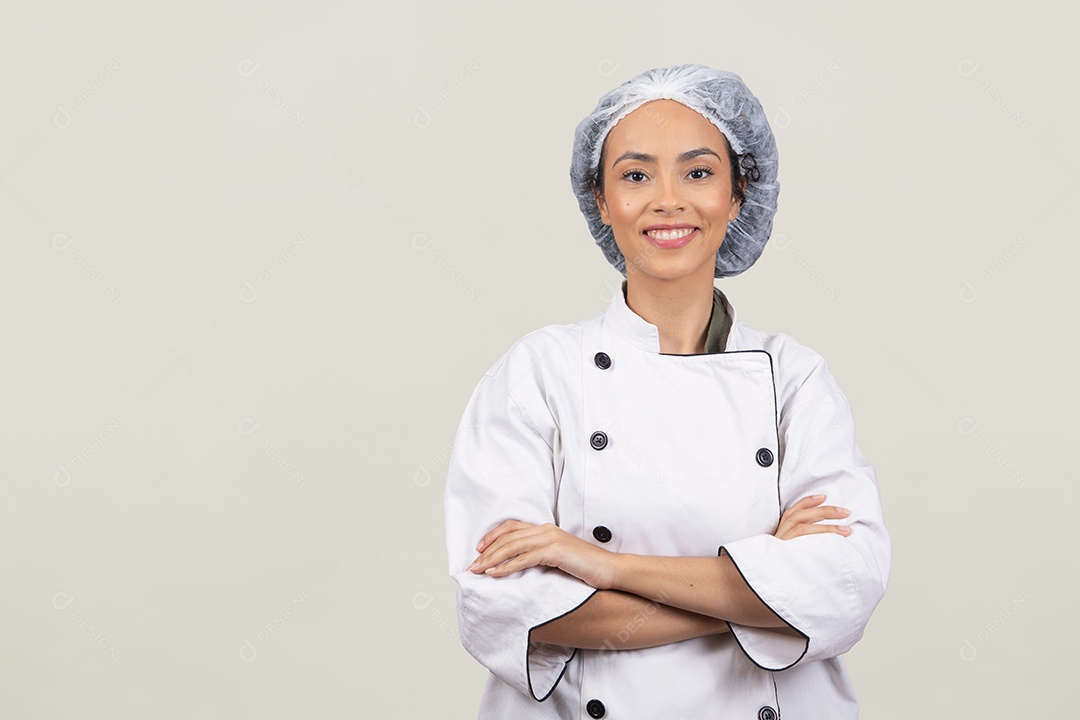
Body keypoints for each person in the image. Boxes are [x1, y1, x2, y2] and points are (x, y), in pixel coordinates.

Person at [443, 64, 891, 720]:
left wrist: (599, 566)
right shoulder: (537, 373)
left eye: (699, 171)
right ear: (601, 200)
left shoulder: (796, 379)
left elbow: (844, 590)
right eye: (635, 174)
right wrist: (758, 600)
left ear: (739, 194)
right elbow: (504, 608)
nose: (668, 200)